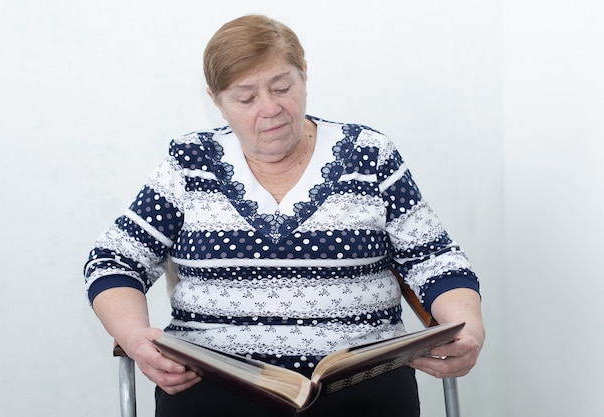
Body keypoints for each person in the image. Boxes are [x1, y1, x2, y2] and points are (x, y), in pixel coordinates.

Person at [84, 14, 484, 417]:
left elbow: (436, 260)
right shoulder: (190, 163)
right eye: (246, 98)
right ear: (215, 100)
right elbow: (114, 261)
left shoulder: (370, 154)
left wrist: (469, 328)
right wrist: (136, 338)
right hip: (215, 385)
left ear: (304, 75)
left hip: (359, 384)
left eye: (282, 87)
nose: (270, 108)